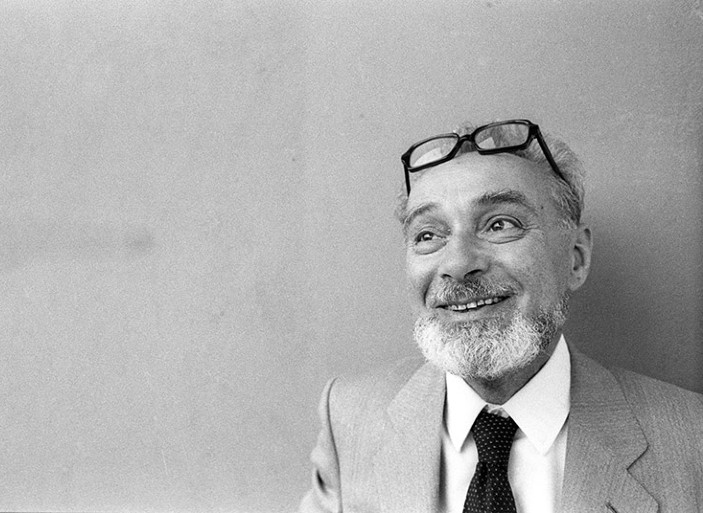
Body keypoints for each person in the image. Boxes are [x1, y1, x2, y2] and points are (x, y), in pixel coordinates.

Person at [299, 120, 703, 513]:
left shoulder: (691, 441)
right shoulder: (349, 419)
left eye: (499, 224)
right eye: (428, 235)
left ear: (576, 259)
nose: (457, 264)